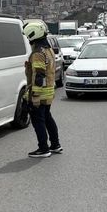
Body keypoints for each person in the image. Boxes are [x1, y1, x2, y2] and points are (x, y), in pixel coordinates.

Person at [22, 20, 61, 158]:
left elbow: (39, 74)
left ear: (32, 35)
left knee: (38, 121)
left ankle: (43, 149)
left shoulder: (38, 53)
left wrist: (34, 96)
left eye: (28, 37)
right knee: (47, 118)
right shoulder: (48, 49)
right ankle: (55, 145)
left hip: (40, 92)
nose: (28, 40)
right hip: (49, 91)